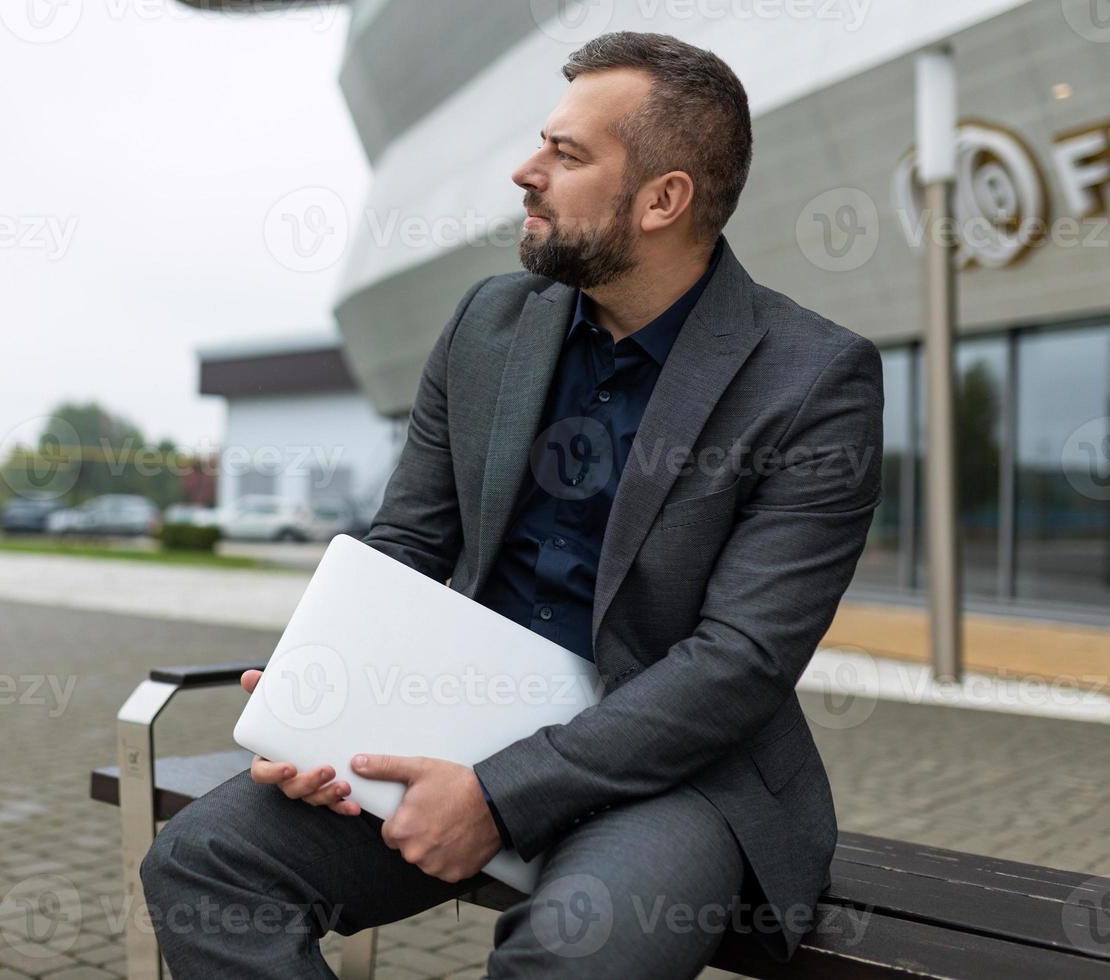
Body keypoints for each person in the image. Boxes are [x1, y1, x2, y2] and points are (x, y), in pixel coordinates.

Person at [140, 30, 883, 979]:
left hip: (678, 771)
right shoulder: (487, 322)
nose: (526, 172)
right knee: (204, 867)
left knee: (565, 960)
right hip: (456, 720)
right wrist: (320, 699)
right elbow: (406, 541)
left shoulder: (815, 379)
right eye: (543, 141)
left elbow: (738, 663)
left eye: (568, 155)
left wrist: (498, 794)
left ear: (664, 199)